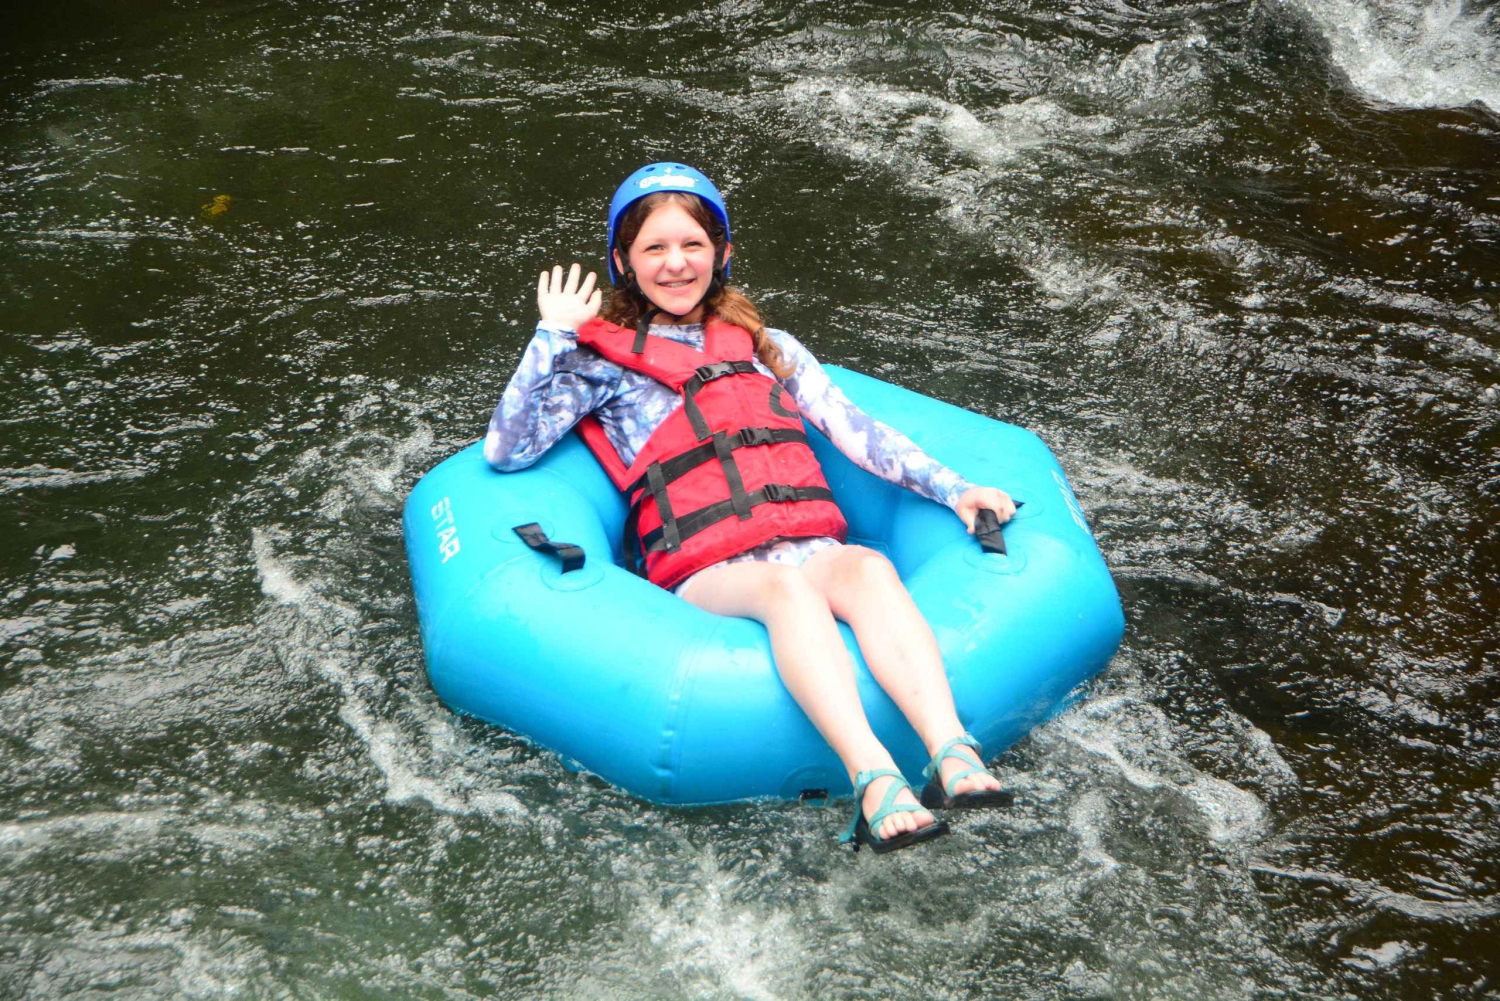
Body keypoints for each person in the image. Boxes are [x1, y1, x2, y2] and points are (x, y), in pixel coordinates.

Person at [486, 163, 1017, 853]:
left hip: (805, 539)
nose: (675, 263)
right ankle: (875, 778)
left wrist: (954, 488)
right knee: (785, 587)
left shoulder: (768, 348)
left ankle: (953, 753)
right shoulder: (600, 363)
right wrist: (552, 333)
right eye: (654, 249)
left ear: (721, 253)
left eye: (692, 246)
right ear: (623, 261)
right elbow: (508, 448)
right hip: (709, 569)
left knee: (866, 569)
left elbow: (858, 432)